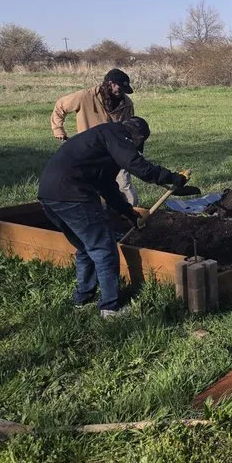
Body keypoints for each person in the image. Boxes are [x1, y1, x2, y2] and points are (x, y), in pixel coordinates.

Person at [38, 116, 187, 317]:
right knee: (104, 249)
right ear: (137, 138)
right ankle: (109, 308)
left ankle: (83, 298)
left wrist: (129, 213)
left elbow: (107, 186)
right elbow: (138, 166)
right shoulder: (116, 134)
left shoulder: (102, 141)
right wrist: (172, 177)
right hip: (72, 195)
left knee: (86, 247)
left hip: (49, 195)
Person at [51, 68, 139, 205]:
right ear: (110, 83)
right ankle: (100, 211)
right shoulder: (85, 97)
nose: (121, 92)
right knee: (93, 187)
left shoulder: (126, 104)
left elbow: (129, 128)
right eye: (119, 88)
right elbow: (60, 106)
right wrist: (58, 130)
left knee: (124, 183)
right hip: (90, 151)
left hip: (116, 150)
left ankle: (131, 213)